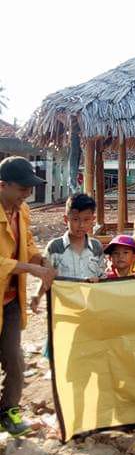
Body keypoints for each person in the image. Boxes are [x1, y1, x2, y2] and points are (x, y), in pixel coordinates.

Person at [0, 157, 55, 436]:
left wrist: (40, 260)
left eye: (30, 189)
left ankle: (8, 411)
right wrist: (29, 268)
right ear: (3, 185)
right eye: (22, 188)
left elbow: (29, 244)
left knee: (15, 359)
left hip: (11, 299)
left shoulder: (22, 211)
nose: (28, 194)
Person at [39, 194, 107, 284]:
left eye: (86, 220)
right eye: (75, 219)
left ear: (92, 220)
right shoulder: (54, 247)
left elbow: (102, 277)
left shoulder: (96, 247)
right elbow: (45, 279)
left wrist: (98, 280)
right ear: (66, 219)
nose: (81, 225)